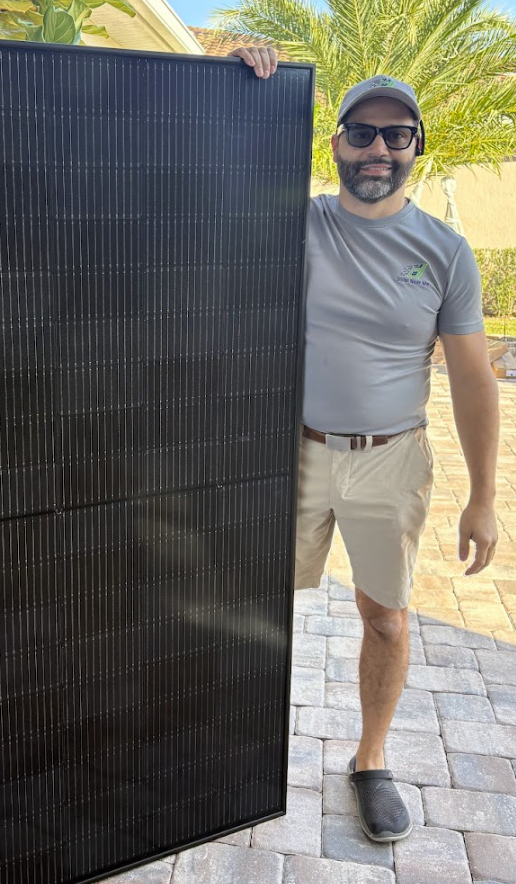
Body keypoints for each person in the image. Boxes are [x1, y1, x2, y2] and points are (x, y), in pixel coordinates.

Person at [229, 46, 500, 842]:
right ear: (336, 144)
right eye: (362, 132)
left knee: (385, 619)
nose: (378, 149)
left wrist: (484, 498)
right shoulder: (296, 220)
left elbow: (475, 379)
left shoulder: (444, 252)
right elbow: (216, 178)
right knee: (249, 605)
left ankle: (371, 760)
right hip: (290, 453)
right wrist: (240, 82)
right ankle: (225, 749)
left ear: (418, 148)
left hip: (392, 458)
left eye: (397, 135)